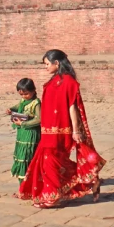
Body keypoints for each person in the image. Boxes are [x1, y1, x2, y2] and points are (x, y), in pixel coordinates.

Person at [18, 49, 106, 208]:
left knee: (51, 162)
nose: (45, 67)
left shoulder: (69, 82)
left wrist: (76, 130)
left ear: (56, 63)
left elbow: (72, 107)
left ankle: (53, 197)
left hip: (61, 129)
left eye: (47, 64)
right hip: (47, 130)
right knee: (54, 162)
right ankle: (89, 179)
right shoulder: (53, 81)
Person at [6, 79, 41, 183]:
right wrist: (11, 109)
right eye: (21, 94)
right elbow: (19, 106)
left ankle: (27, 186)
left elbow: (39, 119)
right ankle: (22, 187)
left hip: (31, 134)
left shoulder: (36, 103)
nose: (24, 96)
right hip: (22, 133)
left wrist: (23, 123)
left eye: (26, 94)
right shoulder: (23, 100)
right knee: (20, 156)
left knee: (26, 157)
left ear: (33, 91)